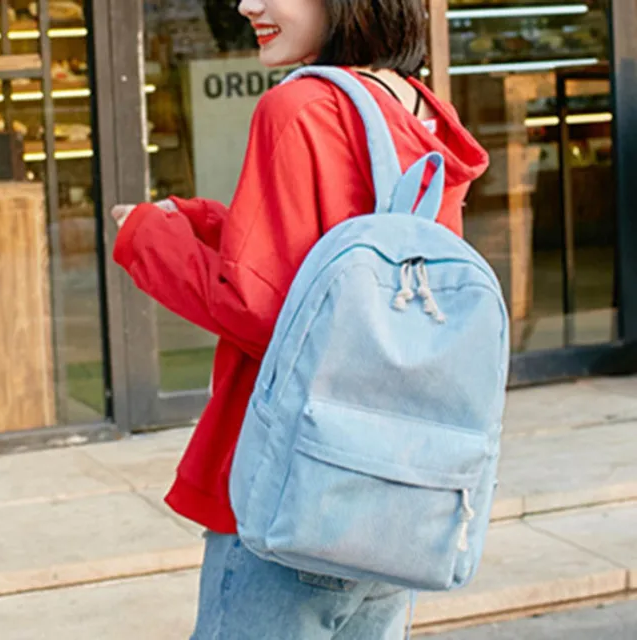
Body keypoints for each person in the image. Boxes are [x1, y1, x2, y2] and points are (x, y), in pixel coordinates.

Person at [112, 0, 489, 637]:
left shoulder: (298, 106)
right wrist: (208, 225)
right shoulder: (415, 110)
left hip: (294, 482)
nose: (246, 4)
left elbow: (263, 311)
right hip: (394, 489)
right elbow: (347, 275)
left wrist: (147, 237)